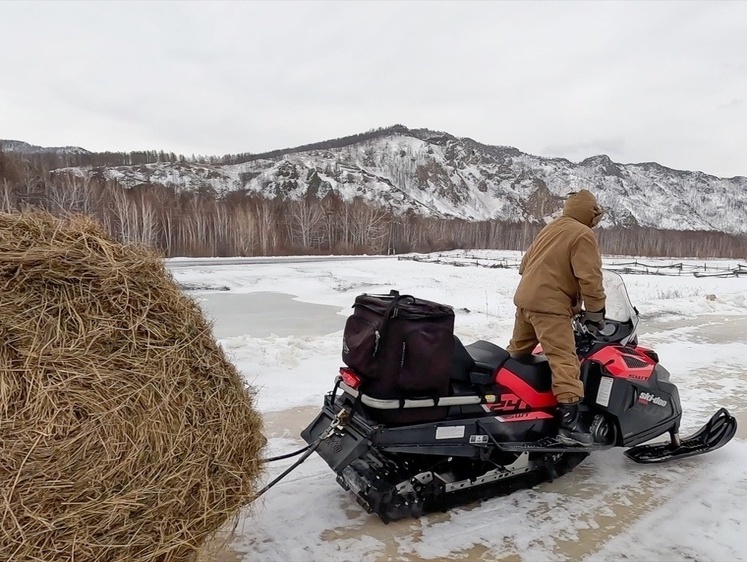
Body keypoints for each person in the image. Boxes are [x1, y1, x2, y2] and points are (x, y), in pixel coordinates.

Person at [507, 189, 606, 446]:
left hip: (525, 301)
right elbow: (590, 277)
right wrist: (595, 312)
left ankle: (506, 403)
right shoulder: (583, 234)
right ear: (590, 213)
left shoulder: (551, 228)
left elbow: (523, 265)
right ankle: (570, 423)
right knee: (563, 359)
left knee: (517, 354)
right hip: (550, 307)